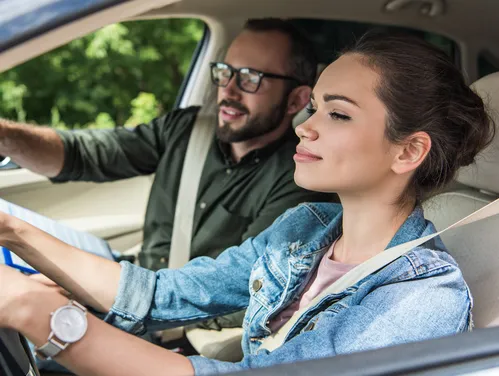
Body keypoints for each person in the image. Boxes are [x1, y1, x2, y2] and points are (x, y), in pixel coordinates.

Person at [0, 31, 494, 375]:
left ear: (408, 151)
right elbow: (161, 295)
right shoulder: (306, 229)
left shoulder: (421, 300)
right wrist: (12, 232)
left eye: (338, 114)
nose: (305, 126)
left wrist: (39, 315)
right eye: (314, 106)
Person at [0, 18, 332, 331]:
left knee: (17, 311)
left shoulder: (299, 183)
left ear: (296, 100)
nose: (228, 91)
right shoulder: (187, 129)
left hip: (163, 317)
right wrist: (5, 136)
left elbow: (248, 295)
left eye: (250, 79)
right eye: (224, 72)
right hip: (122, 270)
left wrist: (91, 295)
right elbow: (85, 154)